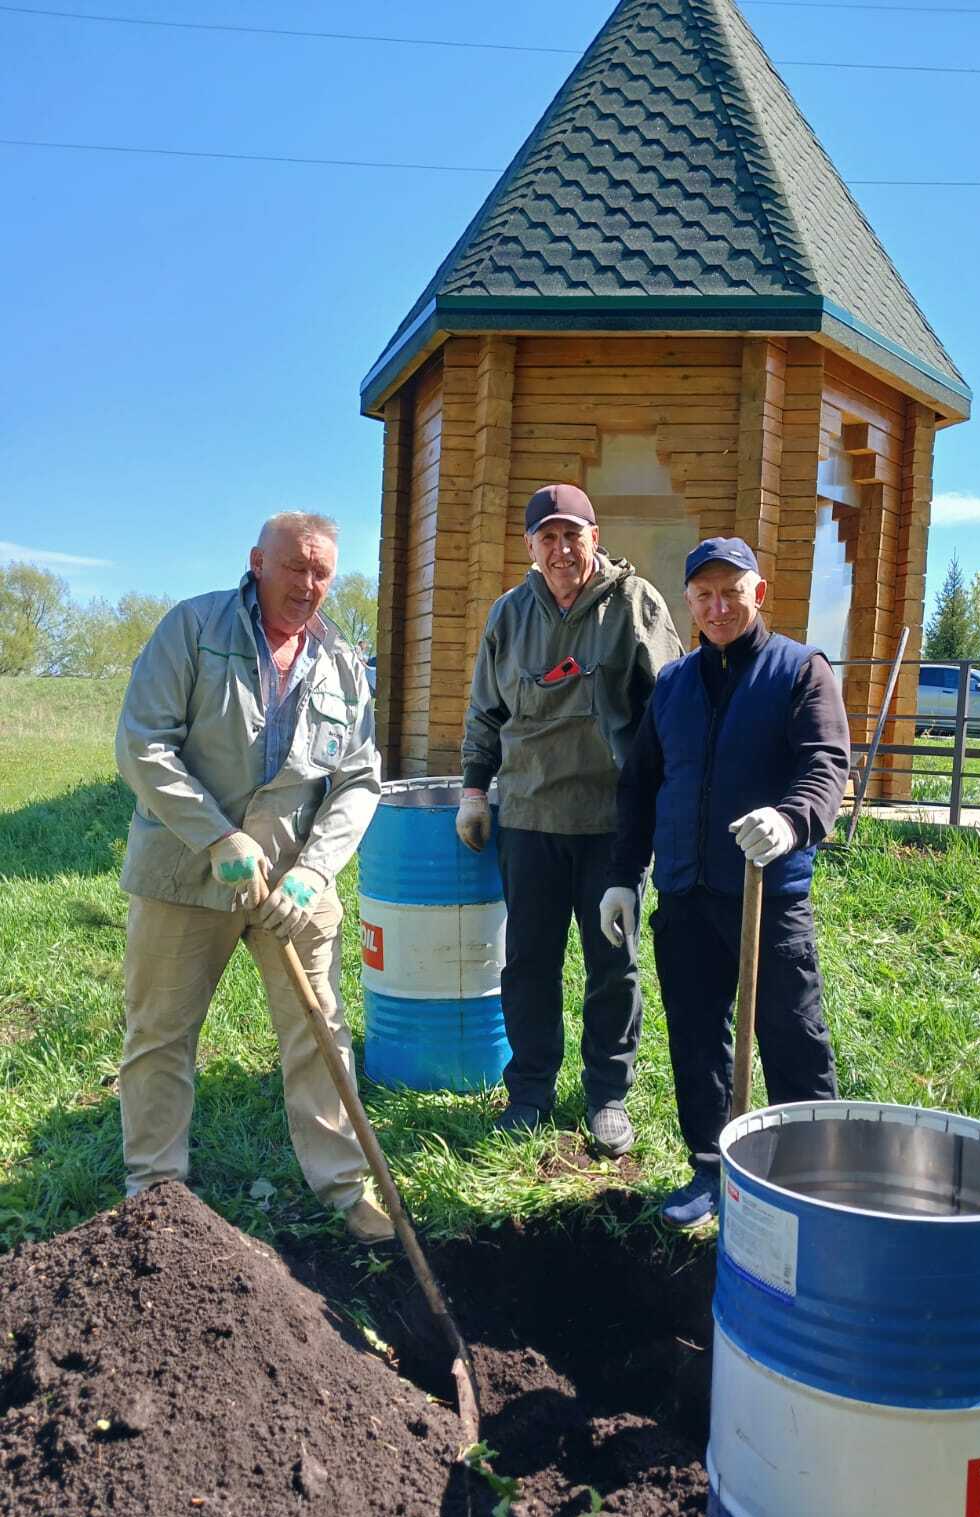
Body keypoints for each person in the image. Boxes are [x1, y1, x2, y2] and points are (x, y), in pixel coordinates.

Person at [114, 511, 390, 1242]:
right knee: (161, 1034)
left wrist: (317, 870)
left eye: (322, 572)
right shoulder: (194, 630)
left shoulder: (338, 663)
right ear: (258, 562)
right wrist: (215, 835)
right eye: (295, 567)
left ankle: (345, 1188)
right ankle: (155, 1192)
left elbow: (360, 780)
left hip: (292, 886)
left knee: (320, 1035)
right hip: (184, 873)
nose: (308, 585)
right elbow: (142, 743)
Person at [600, 537, 851, 1227]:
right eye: (704, 595)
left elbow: (826, 764)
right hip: (685, 893)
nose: (718, 606)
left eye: (730, 593)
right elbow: (640, 785)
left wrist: (793, 819)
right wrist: (624, 875)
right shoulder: (674, 685)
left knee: (791, 1032)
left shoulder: (800, 670)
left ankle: (814, 1183)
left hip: (766, 897)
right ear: (688, 604)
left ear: (757, 594)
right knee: (694, 1035)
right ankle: (709, 1172)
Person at [457, 484, 682, 1156]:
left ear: (594, 536)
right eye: (547, 537)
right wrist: (474, 790)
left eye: (572, 535)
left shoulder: (635, 605)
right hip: (527, 817)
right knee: (528, 962)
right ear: (530, 546)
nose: (561, 550)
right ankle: (529, 1091)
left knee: (614, 963)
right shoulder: (508, 615)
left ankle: (608, 1095)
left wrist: (661, 809)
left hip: (612, 823)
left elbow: (665, 712)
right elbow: (484, 711)